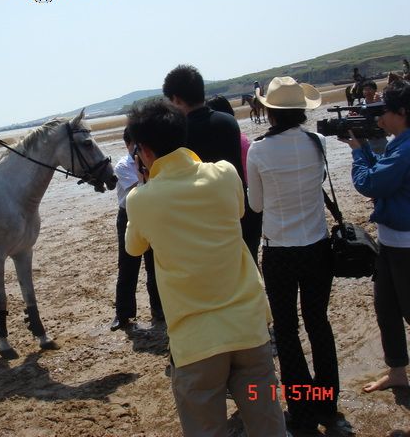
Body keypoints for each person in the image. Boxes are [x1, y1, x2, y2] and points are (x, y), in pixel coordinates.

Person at [125, 99, 286, 437]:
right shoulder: (225, 173)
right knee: (268, 422)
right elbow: (240, 211)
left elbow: (132, 246)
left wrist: (143, 185)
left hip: (195, 342)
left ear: (145, 151)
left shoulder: (141, 200)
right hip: (249, 328)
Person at [246, 76, 340, 433]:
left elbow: (255, 204)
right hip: (317, 247)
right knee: (319, 323)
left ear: (268, 112)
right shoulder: (316, 142)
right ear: (301, 111)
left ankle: (302, 409)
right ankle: (328, 402)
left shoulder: (258, 151)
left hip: (280, 252)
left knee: (286, 331)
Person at [340, 80, 410, 393]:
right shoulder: (399, 144)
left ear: (403, 112)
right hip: (391, 243)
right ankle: (397, 371)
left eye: (385, 111)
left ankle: (397, 371)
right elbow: (379, 175)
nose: (380, 117)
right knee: (387, 309)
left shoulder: (406, 149)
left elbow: (370, 184)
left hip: (405, 247)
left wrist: (357, 153)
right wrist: (364, 147)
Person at [162, 65, 260, 264]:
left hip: (204, 224)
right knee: (248, 269)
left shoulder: (178, 133)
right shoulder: (228, 122)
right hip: (239, 212)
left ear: (177, 99)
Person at [109, 127, 163, 331]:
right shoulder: (123, 165)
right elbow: (138, 193)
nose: (138, 150)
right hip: (129, 214)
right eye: (135, 145)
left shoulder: (151, 162)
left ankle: (158, 310)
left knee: (154, 264)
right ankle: (122, 314)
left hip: (150, 213)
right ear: (128, 145)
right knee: (127, 265)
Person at [206, 95, 262, 264]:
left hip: (234, 207)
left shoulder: (232, 142)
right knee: (250, 256)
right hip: (249, 206)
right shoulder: (243, 140)